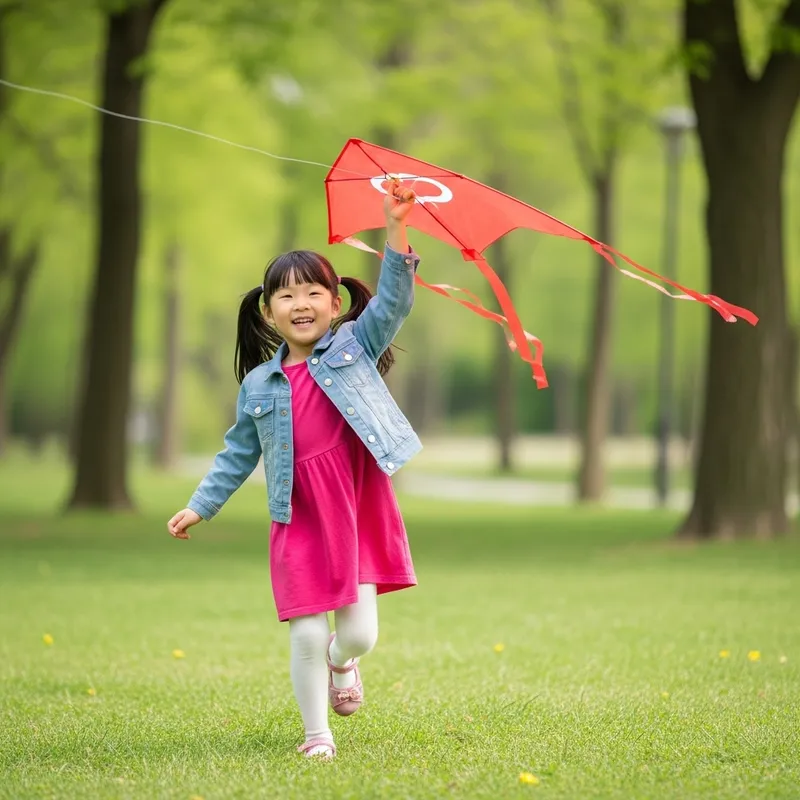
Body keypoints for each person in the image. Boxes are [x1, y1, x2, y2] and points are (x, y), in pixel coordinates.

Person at [167, 180, 421, 760]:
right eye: (285, 296)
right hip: (298, 513)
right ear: (267, 311)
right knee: (306, 630)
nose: (299, 303)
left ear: (335, 303)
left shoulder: (355, 345)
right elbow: (238, 453)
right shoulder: (259, 384)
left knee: (358, 633)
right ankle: (317, 737)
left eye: (312, 292)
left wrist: (396, 225)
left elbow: (395, 302)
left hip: (356, 508)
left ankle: (344, 662)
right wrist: (200, 505)